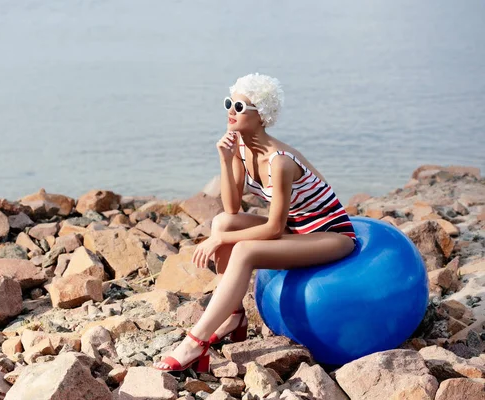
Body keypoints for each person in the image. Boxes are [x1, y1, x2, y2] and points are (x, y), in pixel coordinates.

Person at [152, 73, 357, 373]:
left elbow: (274, 228)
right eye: (228, 103)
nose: (230, 112)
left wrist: (220, 242)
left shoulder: (280, 162)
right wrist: (226, 159)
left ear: (261, 115)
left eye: (239, 106)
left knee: (243, 249)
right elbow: (232, 208)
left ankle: (195, 342)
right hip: (297, 229)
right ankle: (234, 317)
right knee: (222, 223)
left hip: (330, 236)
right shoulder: (243, 150)